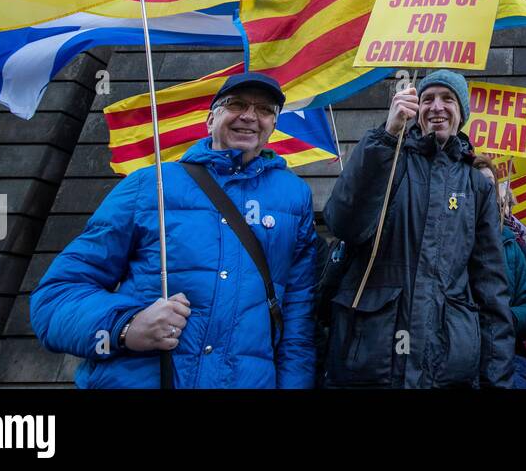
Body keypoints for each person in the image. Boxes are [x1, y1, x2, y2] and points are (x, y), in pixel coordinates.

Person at [31, 72, 320, 388]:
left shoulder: (295, 197)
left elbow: (297, 321)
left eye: (265, 110)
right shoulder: (148, 185)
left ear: (273, 126)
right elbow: (55, 297)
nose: (250, 116)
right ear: (211, 120)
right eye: (236, 104)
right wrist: (125, 327)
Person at [321, 70, 513, 388]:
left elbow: (491, 288)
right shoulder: (387, 156)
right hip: (373, 356)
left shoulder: (477, 186)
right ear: (416, 110)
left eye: (447, 99)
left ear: (461, 113)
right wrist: (388, 134)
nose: (437, 106)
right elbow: (344, 222)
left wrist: (498, 380)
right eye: (428, 99)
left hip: (447, 364)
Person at [473, 155, 526, 388]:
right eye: (476, 183)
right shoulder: (447, 239)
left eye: (490, 185)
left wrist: (506, 320)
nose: (484, 190)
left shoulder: (511, 243)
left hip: (504, 359)